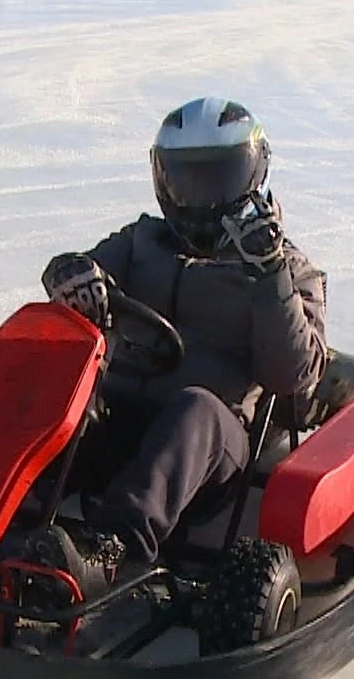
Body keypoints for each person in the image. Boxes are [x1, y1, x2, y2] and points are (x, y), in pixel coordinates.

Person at [24, 96, 329, 592]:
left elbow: (293, 375)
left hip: (210, 447)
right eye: (186, 179)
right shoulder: (143, 241)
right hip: (119, 419)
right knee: (58, 384)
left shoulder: (288, 270)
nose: (199, 198)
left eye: (215, 180)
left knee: (195, 411)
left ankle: (112, 550)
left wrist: (267, 272)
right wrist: (66, 273)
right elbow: (86, 273)